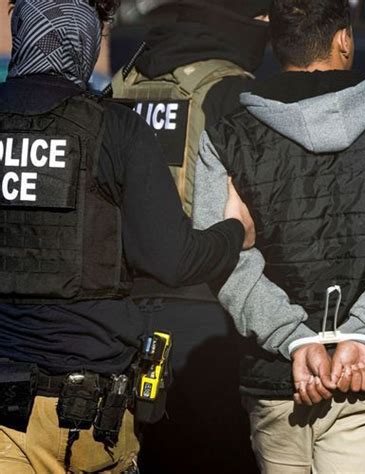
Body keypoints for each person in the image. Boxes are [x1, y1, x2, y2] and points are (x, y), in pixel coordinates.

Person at [193, 0, 365, 472]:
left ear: (276, 45)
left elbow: (224, 255)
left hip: (278, 374)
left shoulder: (225, 138)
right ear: (344, 40)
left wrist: (292, 337)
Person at [0, 1, 254, 473]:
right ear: (83, 38)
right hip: (90, 417)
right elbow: (172, 260)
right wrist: (234, 231)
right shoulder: (114, 127)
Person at [110, 1, 270, 472]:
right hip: (207, 312)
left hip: (122, 311)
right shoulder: (232, 90)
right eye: (262, 16)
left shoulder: (124, 82)